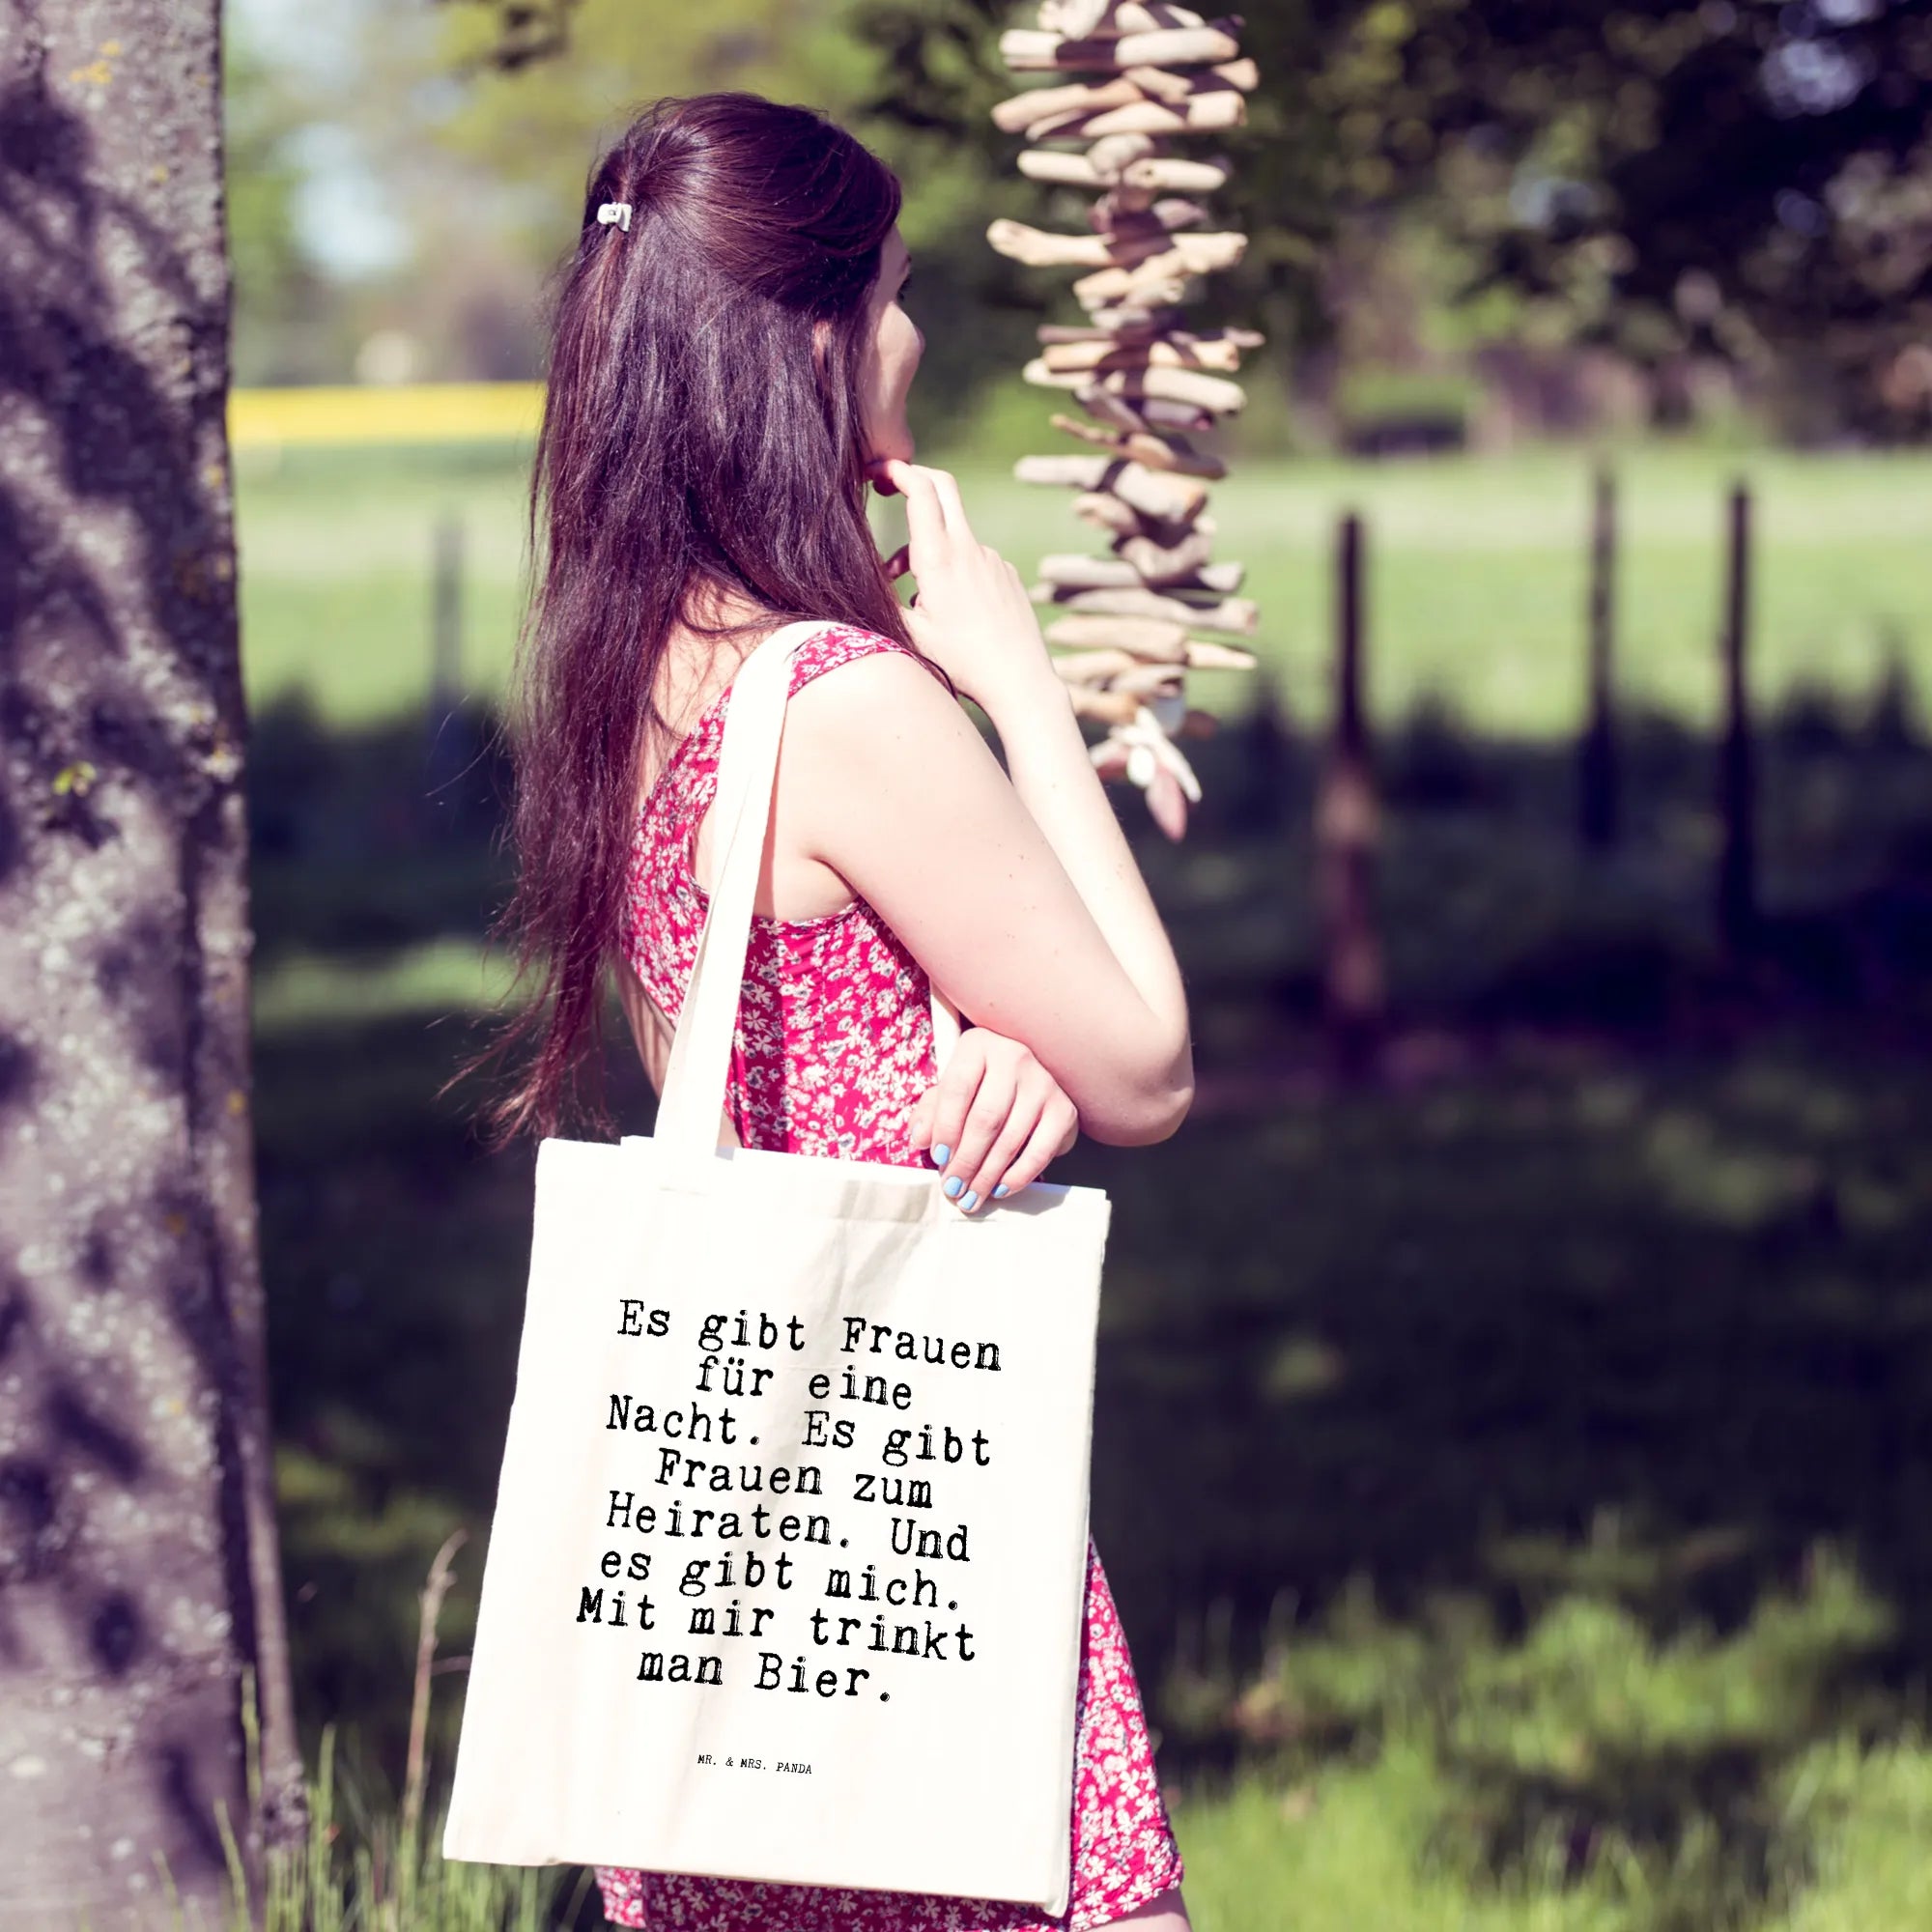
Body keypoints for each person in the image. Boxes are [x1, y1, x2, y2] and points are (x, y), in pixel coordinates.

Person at [475, 90, 1196, 1932]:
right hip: (903, 1536)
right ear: (811, 338)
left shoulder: (636, 668)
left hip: (734, 1581)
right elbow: (1147, 1064)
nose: (913, 336)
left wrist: (980, 1035)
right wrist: (1021, 692)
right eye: (891, 293)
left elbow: (743, 1041)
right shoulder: (850, 704)